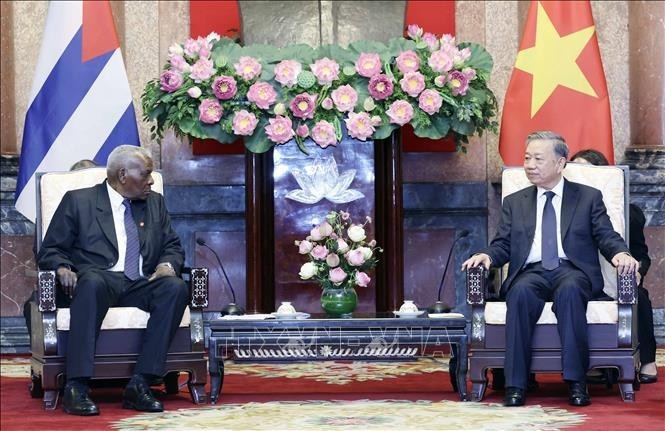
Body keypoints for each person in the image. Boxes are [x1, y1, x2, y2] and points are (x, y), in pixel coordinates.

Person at [462, 131, 638, 407]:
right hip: (531, 272)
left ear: (560, 163)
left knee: (569, 292)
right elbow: (503, 245)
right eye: (527, 158)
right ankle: (515, 386)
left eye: (538, 159)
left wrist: (620, 253)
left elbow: (606, 235)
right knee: (518, 294)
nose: (530, 164)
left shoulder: (587, 197)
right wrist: (486, 255)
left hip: (572, 270)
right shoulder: (515, 202)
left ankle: (577, 383)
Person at [37, 145, 189, 416]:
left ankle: (141, 383)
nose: (152, 180)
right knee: (92, 282)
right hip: (98, 281)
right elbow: (50, 249)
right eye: (146, 173)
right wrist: (62, 268)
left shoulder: (153, 201)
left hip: (140, 282)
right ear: (122, 175)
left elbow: (172, 245)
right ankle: (77, 386)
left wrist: (167, 265)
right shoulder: (78, 201)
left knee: (175, 287)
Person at [571, 148, 657, 384]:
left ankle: (647, 360)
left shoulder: (628, 212)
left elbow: (642, 255)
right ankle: (592, 362)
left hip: (619, 278)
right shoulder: (564, 210)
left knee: (638, 296)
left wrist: (637, 269)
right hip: (580, 279)